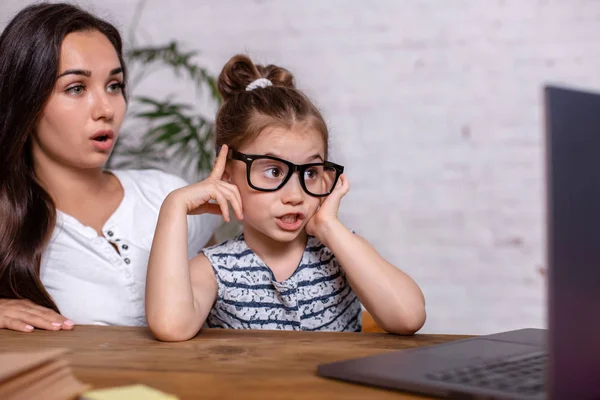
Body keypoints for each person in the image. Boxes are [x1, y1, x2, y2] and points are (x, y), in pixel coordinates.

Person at [146, 54, 426, 341]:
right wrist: (174, 206)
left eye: (309, 173)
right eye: (273, 171)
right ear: (227, 176)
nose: (295, 195)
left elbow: (408, 317)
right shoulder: (215, 269)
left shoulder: (342, 251)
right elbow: (170, 325)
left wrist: (328, 226)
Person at [0, 3, 220, 332]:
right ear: (26, 100)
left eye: (114, 86)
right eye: (76, 88)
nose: (106, 109)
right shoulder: (7, 217)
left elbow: (231, 309)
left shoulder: (168, 193)